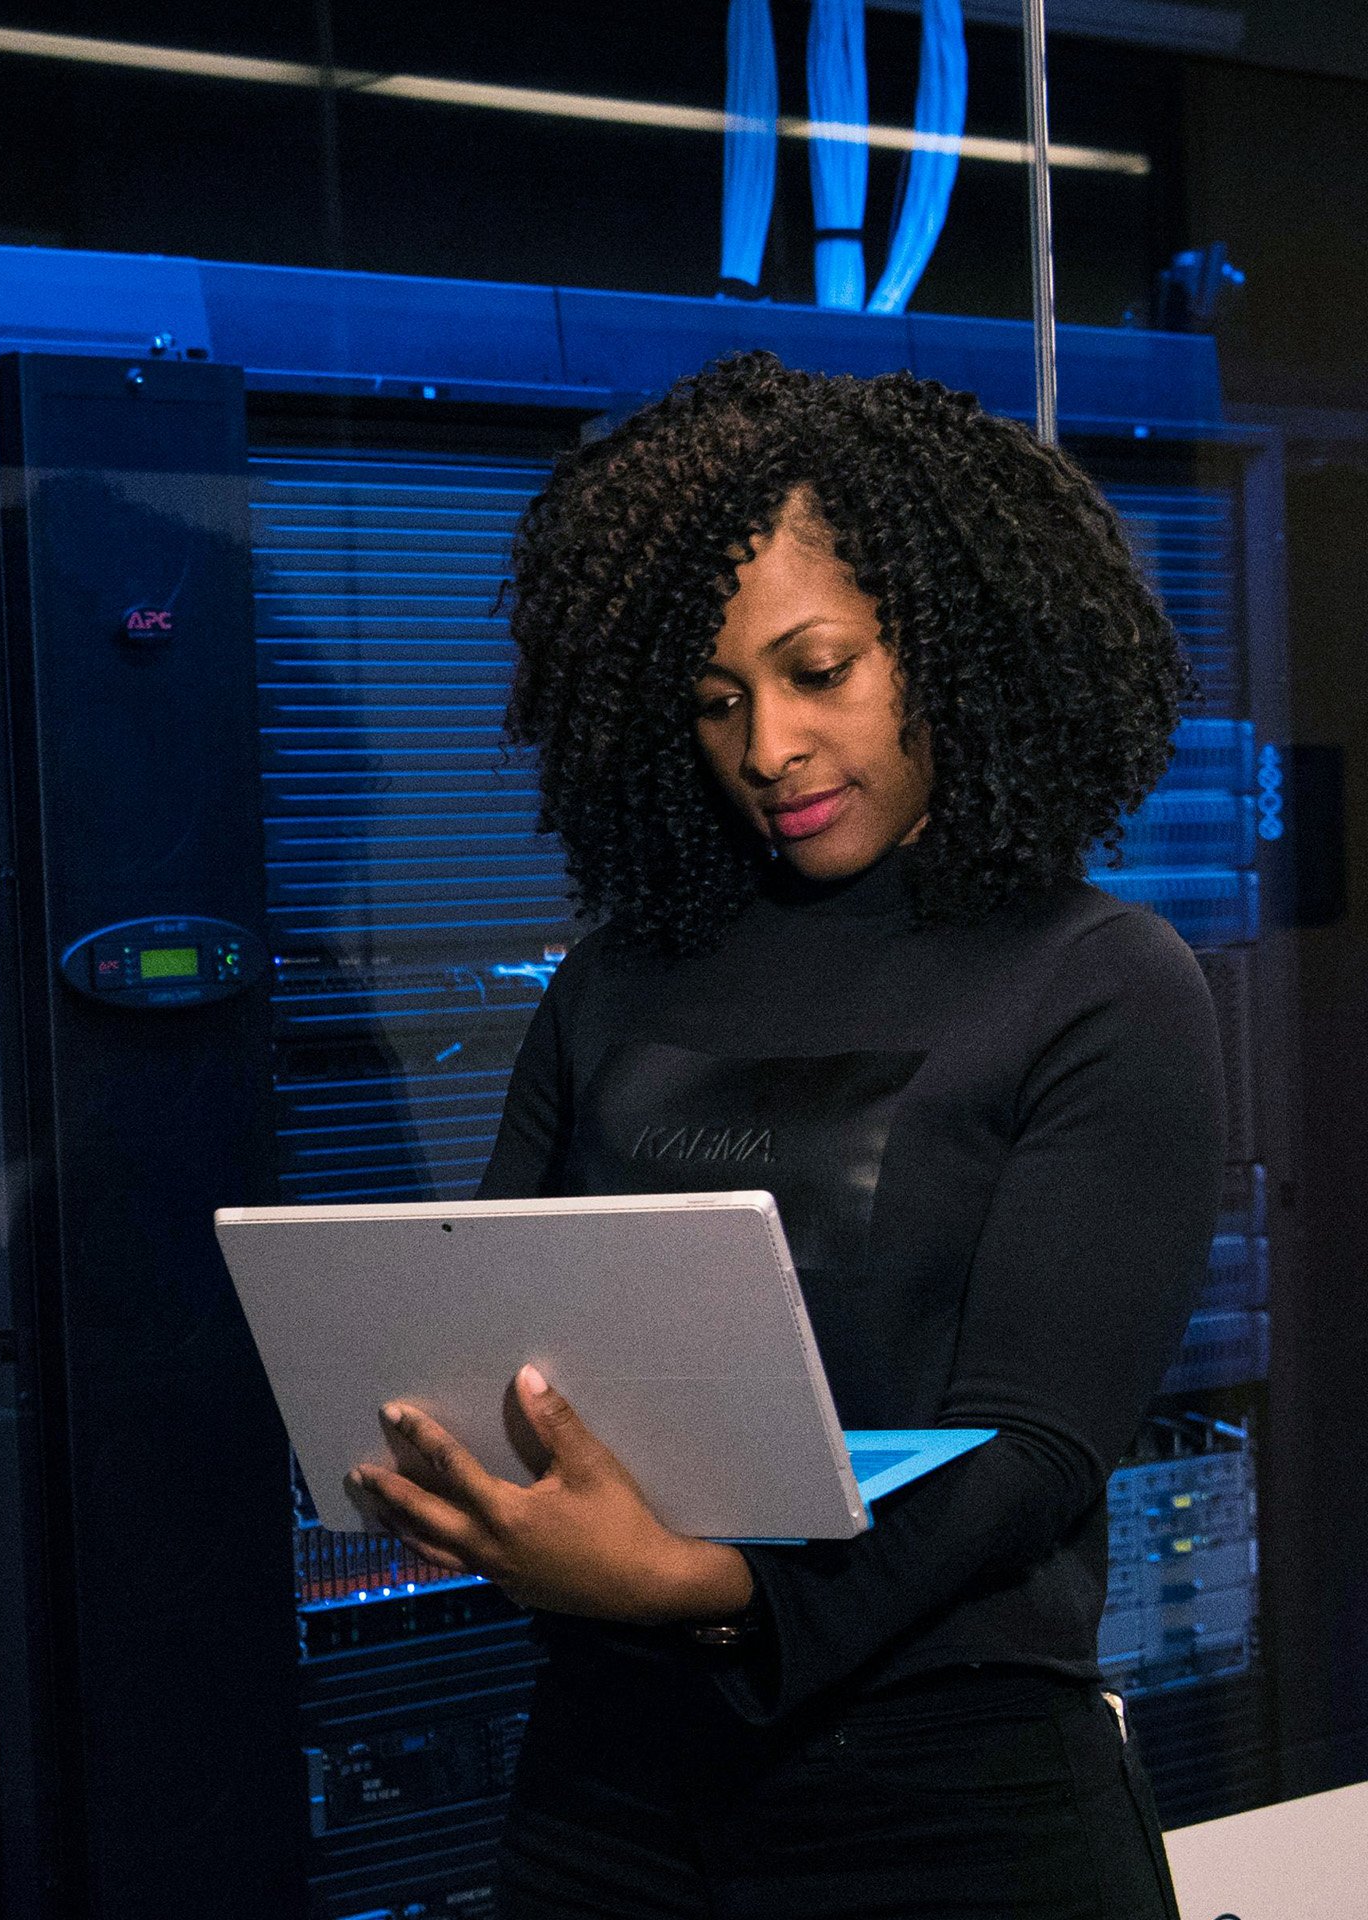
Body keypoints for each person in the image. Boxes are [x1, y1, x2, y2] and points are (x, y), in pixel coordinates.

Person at [343, 351, 1223, 1919]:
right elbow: (485, 1329)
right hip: (608, 1796)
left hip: (952, 1807)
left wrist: (718, 1594)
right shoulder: (617, 982)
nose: (768, 748)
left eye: (820, 671)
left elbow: (1032, 1452)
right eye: (714, 699)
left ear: (955, 651)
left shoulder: (1096, 981)